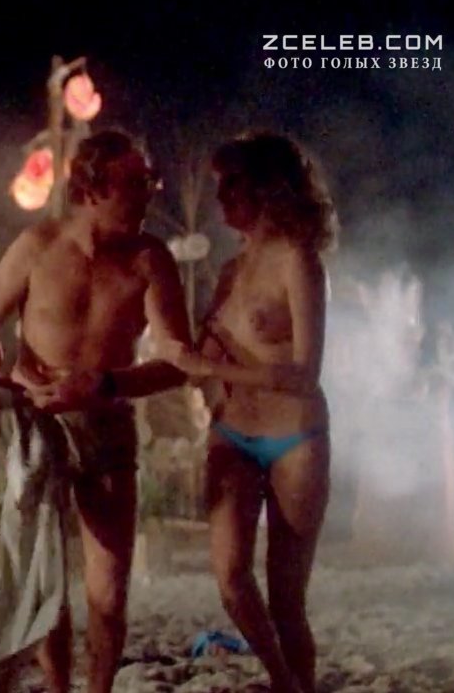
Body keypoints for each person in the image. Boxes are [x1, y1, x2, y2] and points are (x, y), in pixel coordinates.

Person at [0, 130, 193, 693]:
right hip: (40, 428)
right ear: (91, 190)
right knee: (47, 582)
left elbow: (178, 362)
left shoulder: (150, 260)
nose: (147, 195)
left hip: (107, 428)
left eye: (149, 181)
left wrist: (106, 383)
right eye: (133, 184)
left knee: (108, 592)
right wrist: (9, 373)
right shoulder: (38, 246)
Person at [156, 132, 335, 693]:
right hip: (232, 434)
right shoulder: (231, 270)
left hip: (295, 438)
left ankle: (295, 685)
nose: (222, 197)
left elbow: (305, 371)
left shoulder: (298, 262)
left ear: (268, 188)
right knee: (231, 578)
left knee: (287, 600)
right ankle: (284, 680)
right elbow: (199, 356)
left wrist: (212, 368)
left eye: (232, 184)